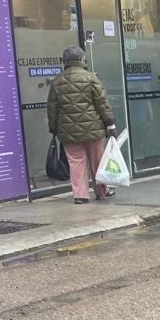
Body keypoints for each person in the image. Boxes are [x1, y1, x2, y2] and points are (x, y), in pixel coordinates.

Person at [46, 45, 116, 203]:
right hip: (93, 129)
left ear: (65, 62)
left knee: (76, 163)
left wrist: (54, 129)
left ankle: (80, 195)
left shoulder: (57, 82)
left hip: (68, 131)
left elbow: (52, 108)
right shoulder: (91, 78)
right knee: (97, 161)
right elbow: (102, 103)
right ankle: (102, 190)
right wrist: (110, 123)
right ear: (81, 60)